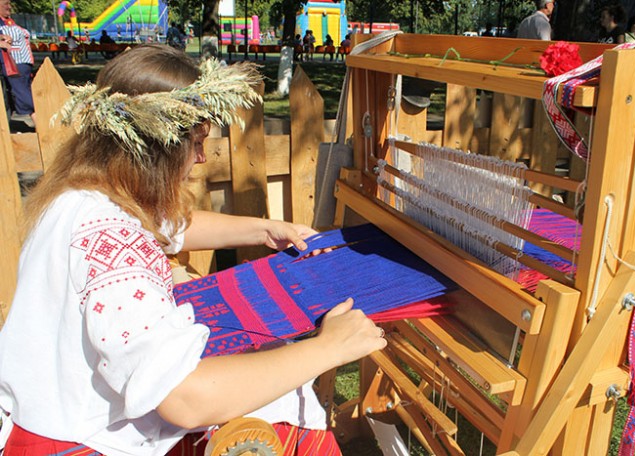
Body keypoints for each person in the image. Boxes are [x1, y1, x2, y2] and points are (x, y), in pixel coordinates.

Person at [0, 44, 385, 456]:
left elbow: (172, 227)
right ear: (155, 149)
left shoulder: (81, 196)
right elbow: (184, 398)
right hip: (79, 443)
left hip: (43, 418)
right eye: (196, 141)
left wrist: (265, 228)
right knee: (298, 422)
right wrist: (329, 348)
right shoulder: (114, 239)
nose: (201, 157)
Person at [0, 0, 35, 128]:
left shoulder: (7, 22)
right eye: (6, 4)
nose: (9, 7)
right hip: (12, 63)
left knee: (18, 91)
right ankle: (37, 116)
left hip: (20, 62)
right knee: (21, 91)